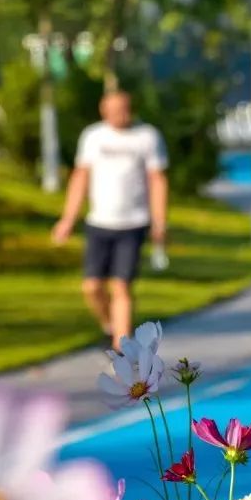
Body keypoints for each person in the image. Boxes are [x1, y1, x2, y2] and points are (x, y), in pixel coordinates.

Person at [51, 91, 169, 350]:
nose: (121, 114)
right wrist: (67, 219)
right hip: (99, 222)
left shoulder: (147, 137)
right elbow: (80, 178)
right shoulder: (93, 137)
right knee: (92, 287)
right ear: (104, 111)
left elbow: (157, 180)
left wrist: (160, 222)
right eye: (115, 110)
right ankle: (109, 324)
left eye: (125, 109)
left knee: (122, 286)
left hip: (133, 222)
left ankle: (121, 349)